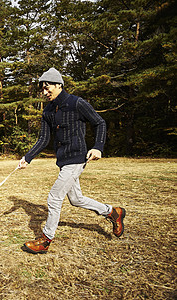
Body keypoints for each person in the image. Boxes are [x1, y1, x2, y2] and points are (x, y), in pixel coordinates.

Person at [18, 67, 126, 254]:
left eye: (47, 87)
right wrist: (27, 158)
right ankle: (113, 212)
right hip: (63, 160)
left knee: (54, 197)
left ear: (59, 85)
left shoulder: (77, 103)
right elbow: (44, 139)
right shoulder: (48, 111)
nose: (44, 92)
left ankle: (45, 239)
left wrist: (98, 147)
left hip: (77, 158)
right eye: (42, 89)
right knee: (76, 199)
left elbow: (100, 122)